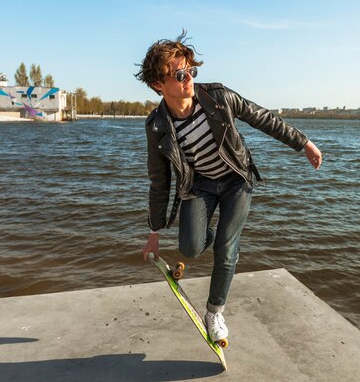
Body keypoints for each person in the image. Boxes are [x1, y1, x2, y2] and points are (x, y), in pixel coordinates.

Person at [136, 32, 322, 342]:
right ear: (159, 84)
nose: (188, 79)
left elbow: (263, 118)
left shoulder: (219, 97)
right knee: (190, 247)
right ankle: (202, 237)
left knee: (226, 247)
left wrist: (303, 143)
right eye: (180, 75)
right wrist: (154, 233)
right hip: (199, 187)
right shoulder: (157, 125)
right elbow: (159, 180)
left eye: (191, 71)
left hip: (237, 180)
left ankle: (215, 312)